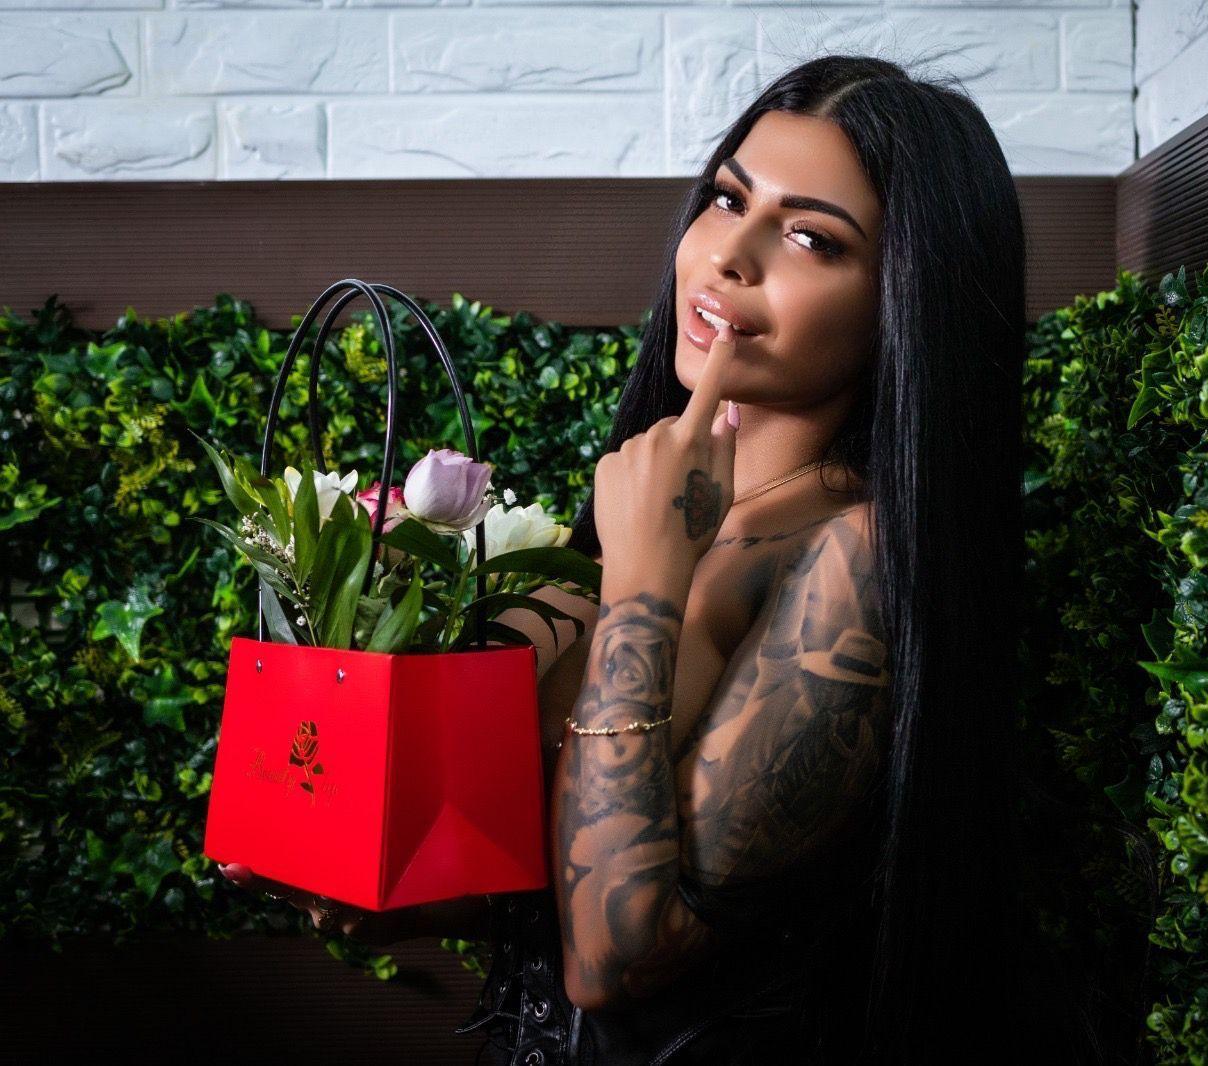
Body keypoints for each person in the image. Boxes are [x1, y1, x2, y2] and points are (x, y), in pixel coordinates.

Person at [220, 52, 1077, 1063]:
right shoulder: (652, 488)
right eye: (728, 200)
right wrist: (398, 898)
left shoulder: (856, 556)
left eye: (811, 236)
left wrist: (642, 582)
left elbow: (618, 957)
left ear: (905, 295)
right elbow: (567, 874)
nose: (731, 255)